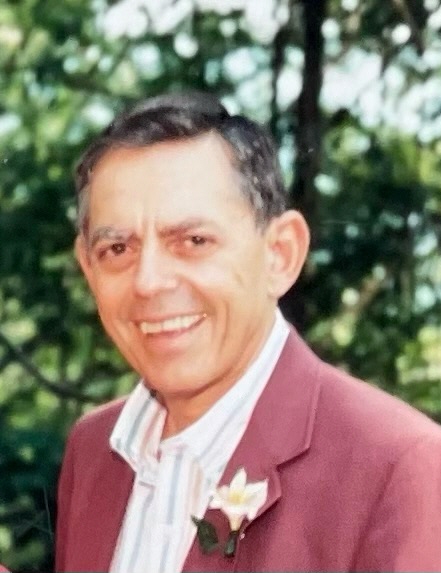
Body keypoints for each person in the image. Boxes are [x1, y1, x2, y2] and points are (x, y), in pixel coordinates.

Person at [56, 92, 441, 573]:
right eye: (117, 249)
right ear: (88, 268)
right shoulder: (95, 450)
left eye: (194, 241)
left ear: (280, 254)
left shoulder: (399, 469)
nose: (149, 281)